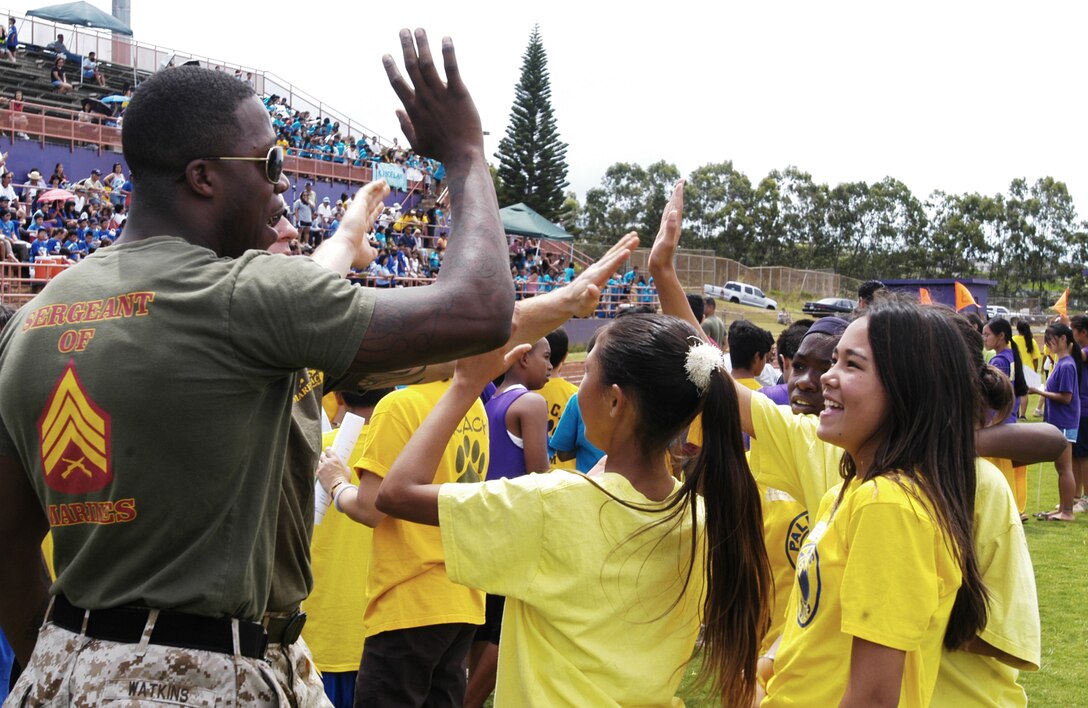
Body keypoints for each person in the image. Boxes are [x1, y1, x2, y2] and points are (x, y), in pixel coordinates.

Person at [0, 30, 516, 704]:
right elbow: (480, 308)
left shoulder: (33, 320)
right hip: (216, 671)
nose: (284, 186)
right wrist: (466, 155)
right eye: (270, 162)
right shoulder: (239, 295)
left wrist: (78, 658)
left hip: (67, 667)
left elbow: (8, 546)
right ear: (203, 176)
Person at [364, 312, 771, 707]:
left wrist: (464, 385)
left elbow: (396, 493)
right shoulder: (701, 520)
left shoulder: (551, 505)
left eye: (588, 374)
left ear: (615, 401)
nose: (577, 390)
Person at [1028, 322, 1082, 521]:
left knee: (1064, 467)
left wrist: (1038, 391)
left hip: (1065, 422)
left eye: (1051, 340)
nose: (1048, 343)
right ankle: (1062, 509)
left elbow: (1066, 397)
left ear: (1063, 340)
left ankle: (1067, 511)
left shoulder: (1067, 365)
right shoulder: (1061, 362)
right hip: (1059, 421)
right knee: (1061, 468)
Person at [1012, 321, 1040, 419]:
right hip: (1028, 369)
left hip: (1016, 368)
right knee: (1024, 393)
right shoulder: (1031, 341)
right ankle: (1023, 415)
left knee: (1015, 392)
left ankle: (1015, 413)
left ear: (1017, 328)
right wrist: (1034, 370)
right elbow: (1036, 358)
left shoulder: (1013, 340)